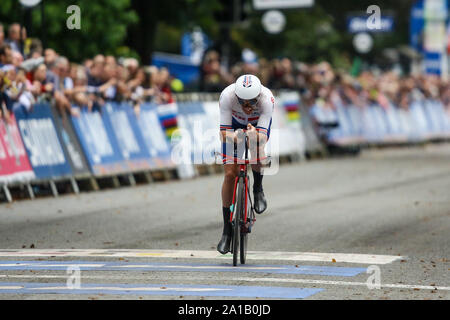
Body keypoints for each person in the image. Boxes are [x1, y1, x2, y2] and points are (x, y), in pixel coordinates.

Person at [217, 74, 275, 254]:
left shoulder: (267, 99)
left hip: (257, 126)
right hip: (234, 126)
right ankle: (227, 230)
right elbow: (223, 134)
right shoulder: (227, 96)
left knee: (257, 150)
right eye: (242, 101)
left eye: (252, 101)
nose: (247, 106)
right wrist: (235, 137)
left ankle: (257, 188)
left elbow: (263, 137)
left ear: (259, 96)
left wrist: (254, 137)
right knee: (229, 174)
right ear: (236, 96)